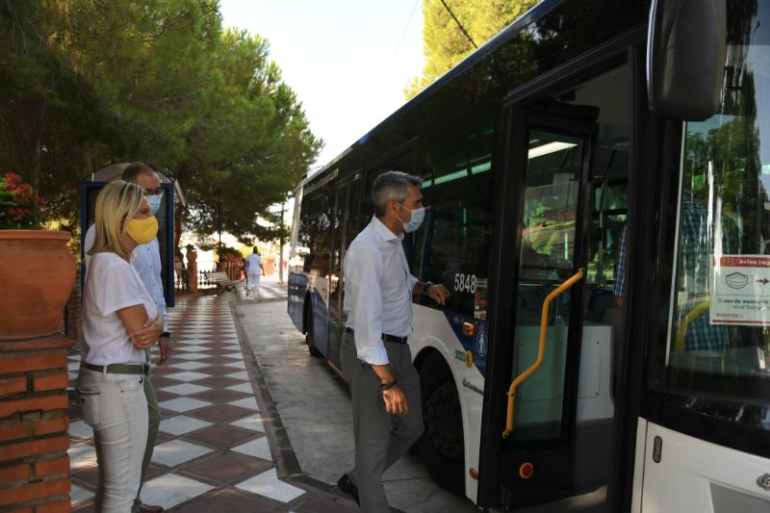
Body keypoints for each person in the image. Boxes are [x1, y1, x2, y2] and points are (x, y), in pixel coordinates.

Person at [337, 171, 451, 512]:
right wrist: (388, 383)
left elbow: (398, 279)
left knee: (412, 426)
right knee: (373, 442)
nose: (421, 208)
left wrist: (424, 286)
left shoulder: (392, 241)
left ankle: (358, 479)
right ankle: (371, 500)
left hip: (398, 348)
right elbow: (367, 329)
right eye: (417, 202)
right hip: (372, 355)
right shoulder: (368, 250)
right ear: (394, 206)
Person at [84, 163, 170, 513]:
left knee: (118, 487)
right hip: (117, 385)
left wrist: (158, 323)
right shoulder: (113, 264)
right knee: (120, 493)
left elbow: (150, 316)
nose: (152, 217)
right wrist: (155, 324)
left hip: (117, 380)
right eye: (144, 211)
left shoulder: (118, 259)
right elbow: (142, 335)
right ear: (121, 217)